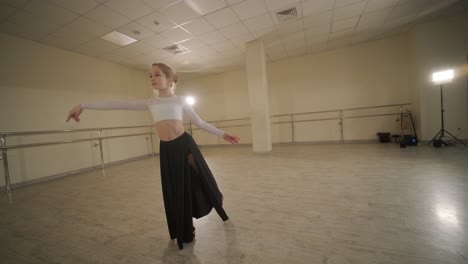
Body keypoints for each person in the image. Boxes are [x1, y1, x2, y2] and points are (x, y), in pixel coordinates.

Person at [66, 62, 240, 249]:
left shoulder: (180, 100)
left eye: (157, 75)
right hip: (167, 150)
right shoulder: (151, 103)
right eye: (150, 76)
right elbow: (118, 104)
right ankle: (185, 228)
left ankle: (215, 200)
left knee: (201, 180)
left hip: (184, 146)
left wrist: (222, 134)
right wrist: (83, 105)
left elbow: (200, 122)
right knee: (175, 191)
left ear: (169, 79)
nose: (152, 79)